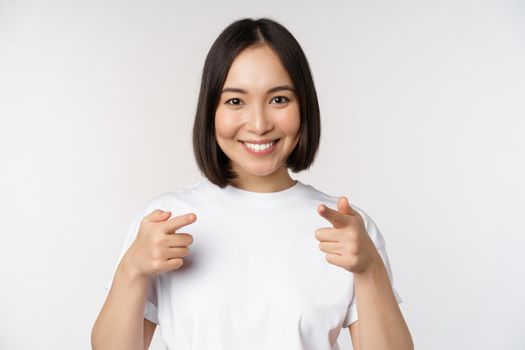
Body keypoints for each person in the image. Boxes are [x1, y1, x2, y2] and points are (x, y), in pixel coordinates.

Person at [91, 17, 414, 350]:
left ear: (304, 106)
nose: (259, 124)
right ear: (211, 110)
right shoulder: (165, 221)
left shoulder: (347, 229)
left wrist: (370, 268)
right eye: (235, 101)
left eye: (279, 100)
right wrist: (131, 270)